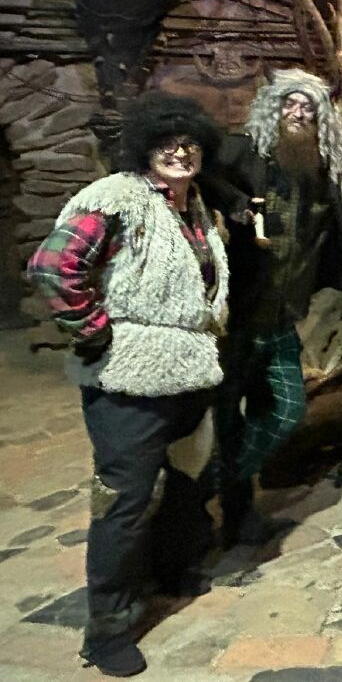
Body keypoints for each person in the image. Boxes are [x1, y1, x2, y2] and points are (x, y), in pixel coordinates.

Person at [26, 92, 227, 677]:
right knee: (124, 502)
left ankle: (169, 571)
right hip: (127, 379)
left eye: (189, 143)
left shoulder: (194, 205)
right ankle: (108, 627)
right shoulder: (116, 197)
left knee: (187, 483)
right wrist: (94, 334)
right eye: (166, 143)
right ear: (144, 147)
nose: (180, 153)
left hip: (189, 371)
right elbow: (52, 266)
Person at [207, 69, 342, 545]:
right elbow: (204, 172)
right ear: (271, 108)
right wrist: (235, 202)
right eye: (289, 104)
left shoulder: (322, 163)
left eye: (308, 108)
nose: (297, 114)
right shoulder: (241, 150)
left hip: (283, 316)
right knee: (227, 416)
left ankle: (217, 483)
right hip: (235, 319)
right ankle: (237, 513)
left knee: (287, 410)